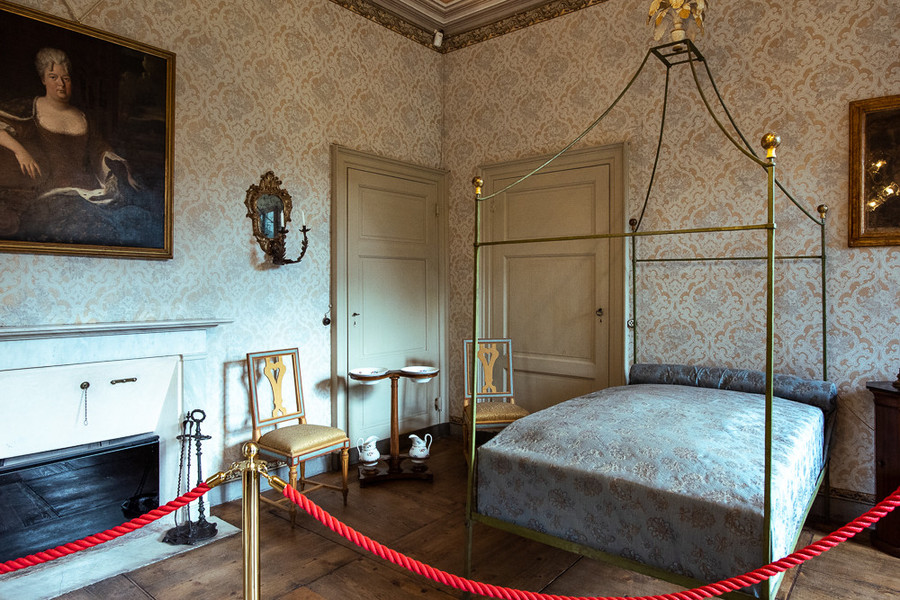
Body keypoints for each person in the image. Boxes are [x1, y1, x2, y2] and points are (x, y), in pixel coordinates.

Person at [0, 47, 136, 204]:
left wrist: (119, 170)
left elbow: (99, 151)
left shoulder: (83, 117)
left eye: (66, 78)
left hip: (87, 190)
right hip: (51, 194)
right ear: (43, 80)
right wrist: (20, 152)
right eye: (53, 77)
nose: (61, 84)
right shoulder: (31, 109)